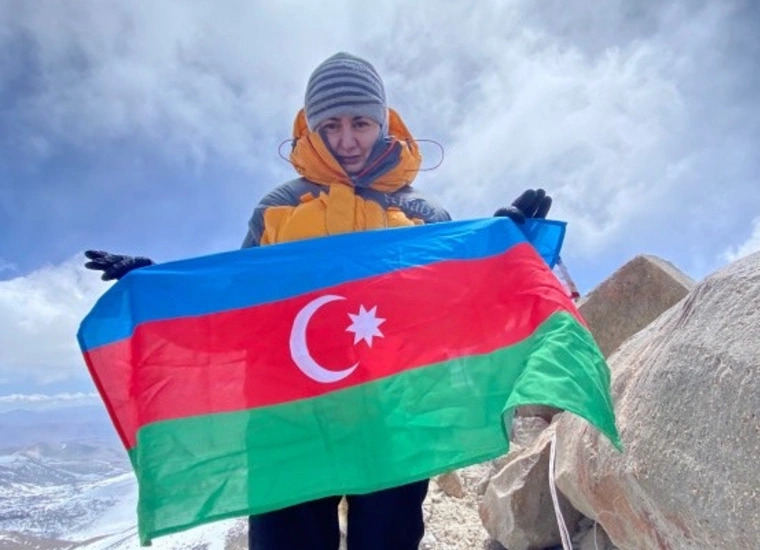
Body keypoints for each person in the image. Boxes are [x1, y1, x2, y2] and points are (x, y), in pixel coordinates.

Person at [85, 52, 551, 550]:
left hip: (393, 416)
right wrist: (160, 291)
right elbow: (238, 302)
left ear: (383, 122)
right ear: (311, 127)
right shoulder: (278, 210)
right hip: (287, 419)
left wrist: (500, 250)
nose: (346, 140)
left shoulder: (422, 214)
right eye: (330, 125)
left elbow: (453, 307)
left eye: (360, 123)